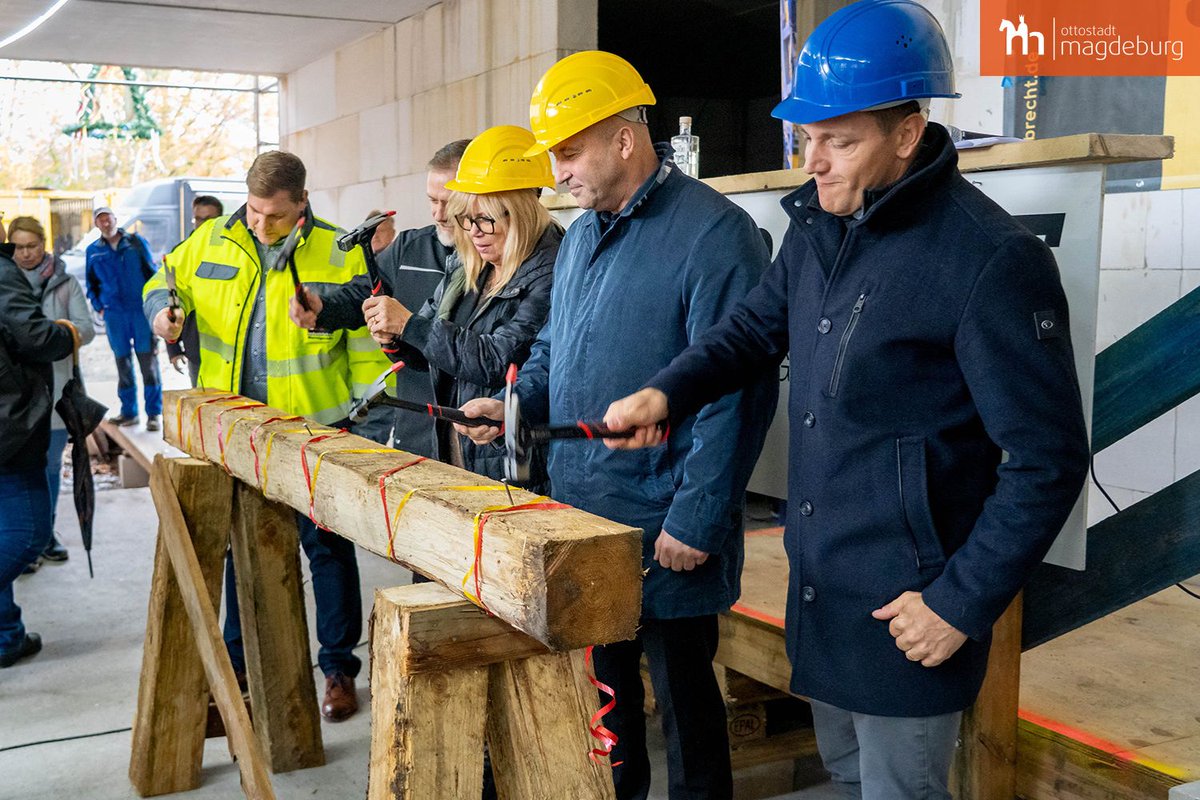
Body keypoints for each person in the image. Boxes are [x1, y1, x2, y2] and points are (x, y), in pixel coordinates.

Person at [601, 2, 1091, 797]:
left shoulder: (989, 259)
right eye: (806, 138)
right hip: (823, 591)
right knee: (848, 778)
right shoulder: (821, 227)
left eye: (839, 140)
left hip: (910, 610)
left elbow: (1049, 459)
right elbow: (750, 332)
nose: (814, 162)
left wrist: (958, 603)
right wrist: (666, 393)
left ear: (907, 132)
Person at [456, 52, 777, 800]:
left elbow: (737, 391)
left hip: (665, 523)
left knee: (686, 705)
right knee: (606, 701)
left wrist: (697, 518)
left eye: (569, 152)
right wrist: (513, 406)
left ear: (625, 139)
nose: (556, 173)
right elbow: (554, 350)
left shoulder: (714, 235)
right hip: (585, 515)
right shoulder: (581, 237)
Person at [144, 151, 392, 721]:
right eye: (254, 212)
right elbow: (163, 281)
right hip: (235, 435)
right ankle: (239, 669)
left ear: (302, 202)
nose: (261, 224)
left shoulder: (339, 251)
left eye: (275, 215)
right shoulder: (211, 239)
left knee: (327, 552)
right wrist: (163, 313)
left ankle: (338, 670)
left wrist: (363, 429)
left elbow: (365, 350)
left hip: (315, 436)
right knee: (242, 553)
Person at [290, 140, 470, 458]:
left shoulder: (504, 260)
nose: (439, 214)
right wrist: (324, 308)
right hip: (416, 429)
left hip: (476, 433)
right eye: (432, 200)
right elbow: (362, 292)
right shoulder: (410, 247)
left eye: (450, 202)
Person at [0, 239, 76, 668]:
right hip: (8, 425)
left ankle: (5, 635)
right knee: (28, 533)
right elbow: (35, 335)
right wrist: (63, 333)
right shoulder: (0, 271)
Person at [8, 216, 96, 570]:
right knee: (20, 473)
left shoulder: (64, 283)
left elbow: (86, 329)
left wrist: (50, 334)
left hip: (57, 394)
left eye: (32, 246)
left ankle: (45, 535)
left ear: (43, 244)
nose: (26, 254)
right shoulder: (7, 283)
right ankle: (23, 539)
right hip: (15, 401)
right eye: (18, 247)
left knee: (49, 467)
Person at [85, 206, 162, 430]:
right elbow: (91, 284)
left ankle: (153, 414)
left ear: (115, 219)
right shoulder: (93, 251)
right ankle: (129, 412)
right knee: (123, 364)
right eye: (100, 220)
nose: (105, 223)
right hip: (114, 315)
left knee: (148, 364)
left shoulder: (136, 243)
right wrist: (100, 306)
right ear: (96, 224)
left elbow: (152, 274)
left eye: (108, 218)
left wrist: (154, 305)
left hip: (139, 312)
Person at [165, 195, 224, 385]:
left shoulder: (233, 252)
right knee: (201, 400)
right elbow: (173, 300)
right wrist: (173, 348)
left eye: (209, 219)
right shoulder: (181, 253)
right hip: (195, 347)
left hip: (230, 349)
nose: (202, 224)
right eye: (198, 219)